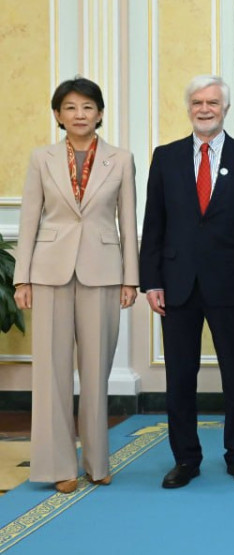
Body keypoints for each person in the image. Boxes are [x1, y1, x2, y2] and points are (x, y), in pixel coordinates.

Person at [139, 75, 234, 489]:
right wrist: (151, 282)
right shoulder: (165, 157)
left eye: (212, 102)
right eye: (197, 102)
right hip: (176, 284)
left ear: (225, 108)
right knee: (180, 378)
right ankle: (186, 459)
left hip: (232, 285)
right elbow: (154, 224)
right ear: (189, 107)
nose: (204, 109)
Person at [13, 77, 138, 494]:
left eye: (87, 107)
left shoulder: (121, 159)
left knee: (96, 370)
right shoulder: (41, 158)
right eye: (70, 107)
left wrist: (131, 279)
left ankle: (96, 463)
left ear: (99, 114)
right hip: (49, 271)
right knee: (51, 372)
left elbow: (128, 222)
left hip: (103, 272)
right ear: (58, 115)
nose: (79, 114)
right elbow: (29, 220)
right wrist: (22, 277)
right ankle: (58, 466)